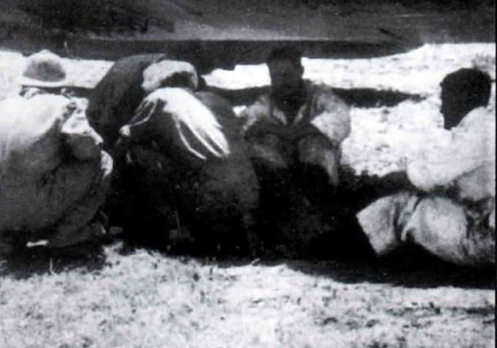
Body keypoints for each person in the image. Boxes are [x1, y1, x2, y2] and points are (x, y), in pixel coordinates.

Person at [113, 59, 261, 255]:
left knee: (136, 153)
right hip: (247, 192)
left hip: (208, 193)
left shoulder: (160, 97)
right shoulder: (215, 100)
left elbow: (128, 137)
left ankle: (166, 228)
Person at [0, 50, 112, 255]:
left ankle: (7, 235)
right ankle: (66, 235)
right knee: (103, 161)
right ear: (61, 86)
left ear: (24, 82)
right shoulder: (64, 106)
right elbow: (88, 151)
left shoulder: (0, 106)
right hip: (31, 208)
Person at [356, 68, 494, 268]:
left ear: (464, 98)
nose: (441, 109)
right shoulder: (486, 128)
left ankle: (333, 250)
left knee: (405, 205)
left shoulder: (476, 136)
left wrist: (368, 186)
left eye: (445, 100)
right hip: (485, 227)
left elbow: (421, 177)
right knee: (431, 202)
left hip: (485, 242)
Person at [240, 46, 351, 254]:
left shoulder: (320, 97)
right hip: (282, 183)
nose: (282, 81)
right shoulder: (266, 102)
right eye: (275, 76)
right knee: (257, 146)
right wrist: (282, 134)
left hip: (318, 182)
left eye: (287, 74)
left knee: (315, 142)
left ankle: (322, 217)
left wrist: (290, 133)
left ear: (301, 71)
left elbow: (340, 119)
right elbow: (245, 124)